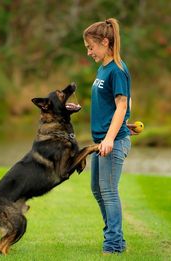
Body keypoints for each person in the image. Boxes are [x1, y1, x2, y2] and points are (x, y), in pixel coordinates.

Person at [83, 18, 133, 254]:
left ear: (105, 42)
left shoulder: (117, 69)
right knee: (97, 189)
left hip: (111, 142)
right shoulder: (103, 67)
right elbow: (120, 105)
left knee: (109, 191)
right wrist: (124, 123)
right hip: (102, 141)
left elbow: (122, 105)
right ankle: (117, 240)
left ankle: (113, 245)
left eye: (91, 47)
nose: (89, 52)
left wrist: (112, 137)